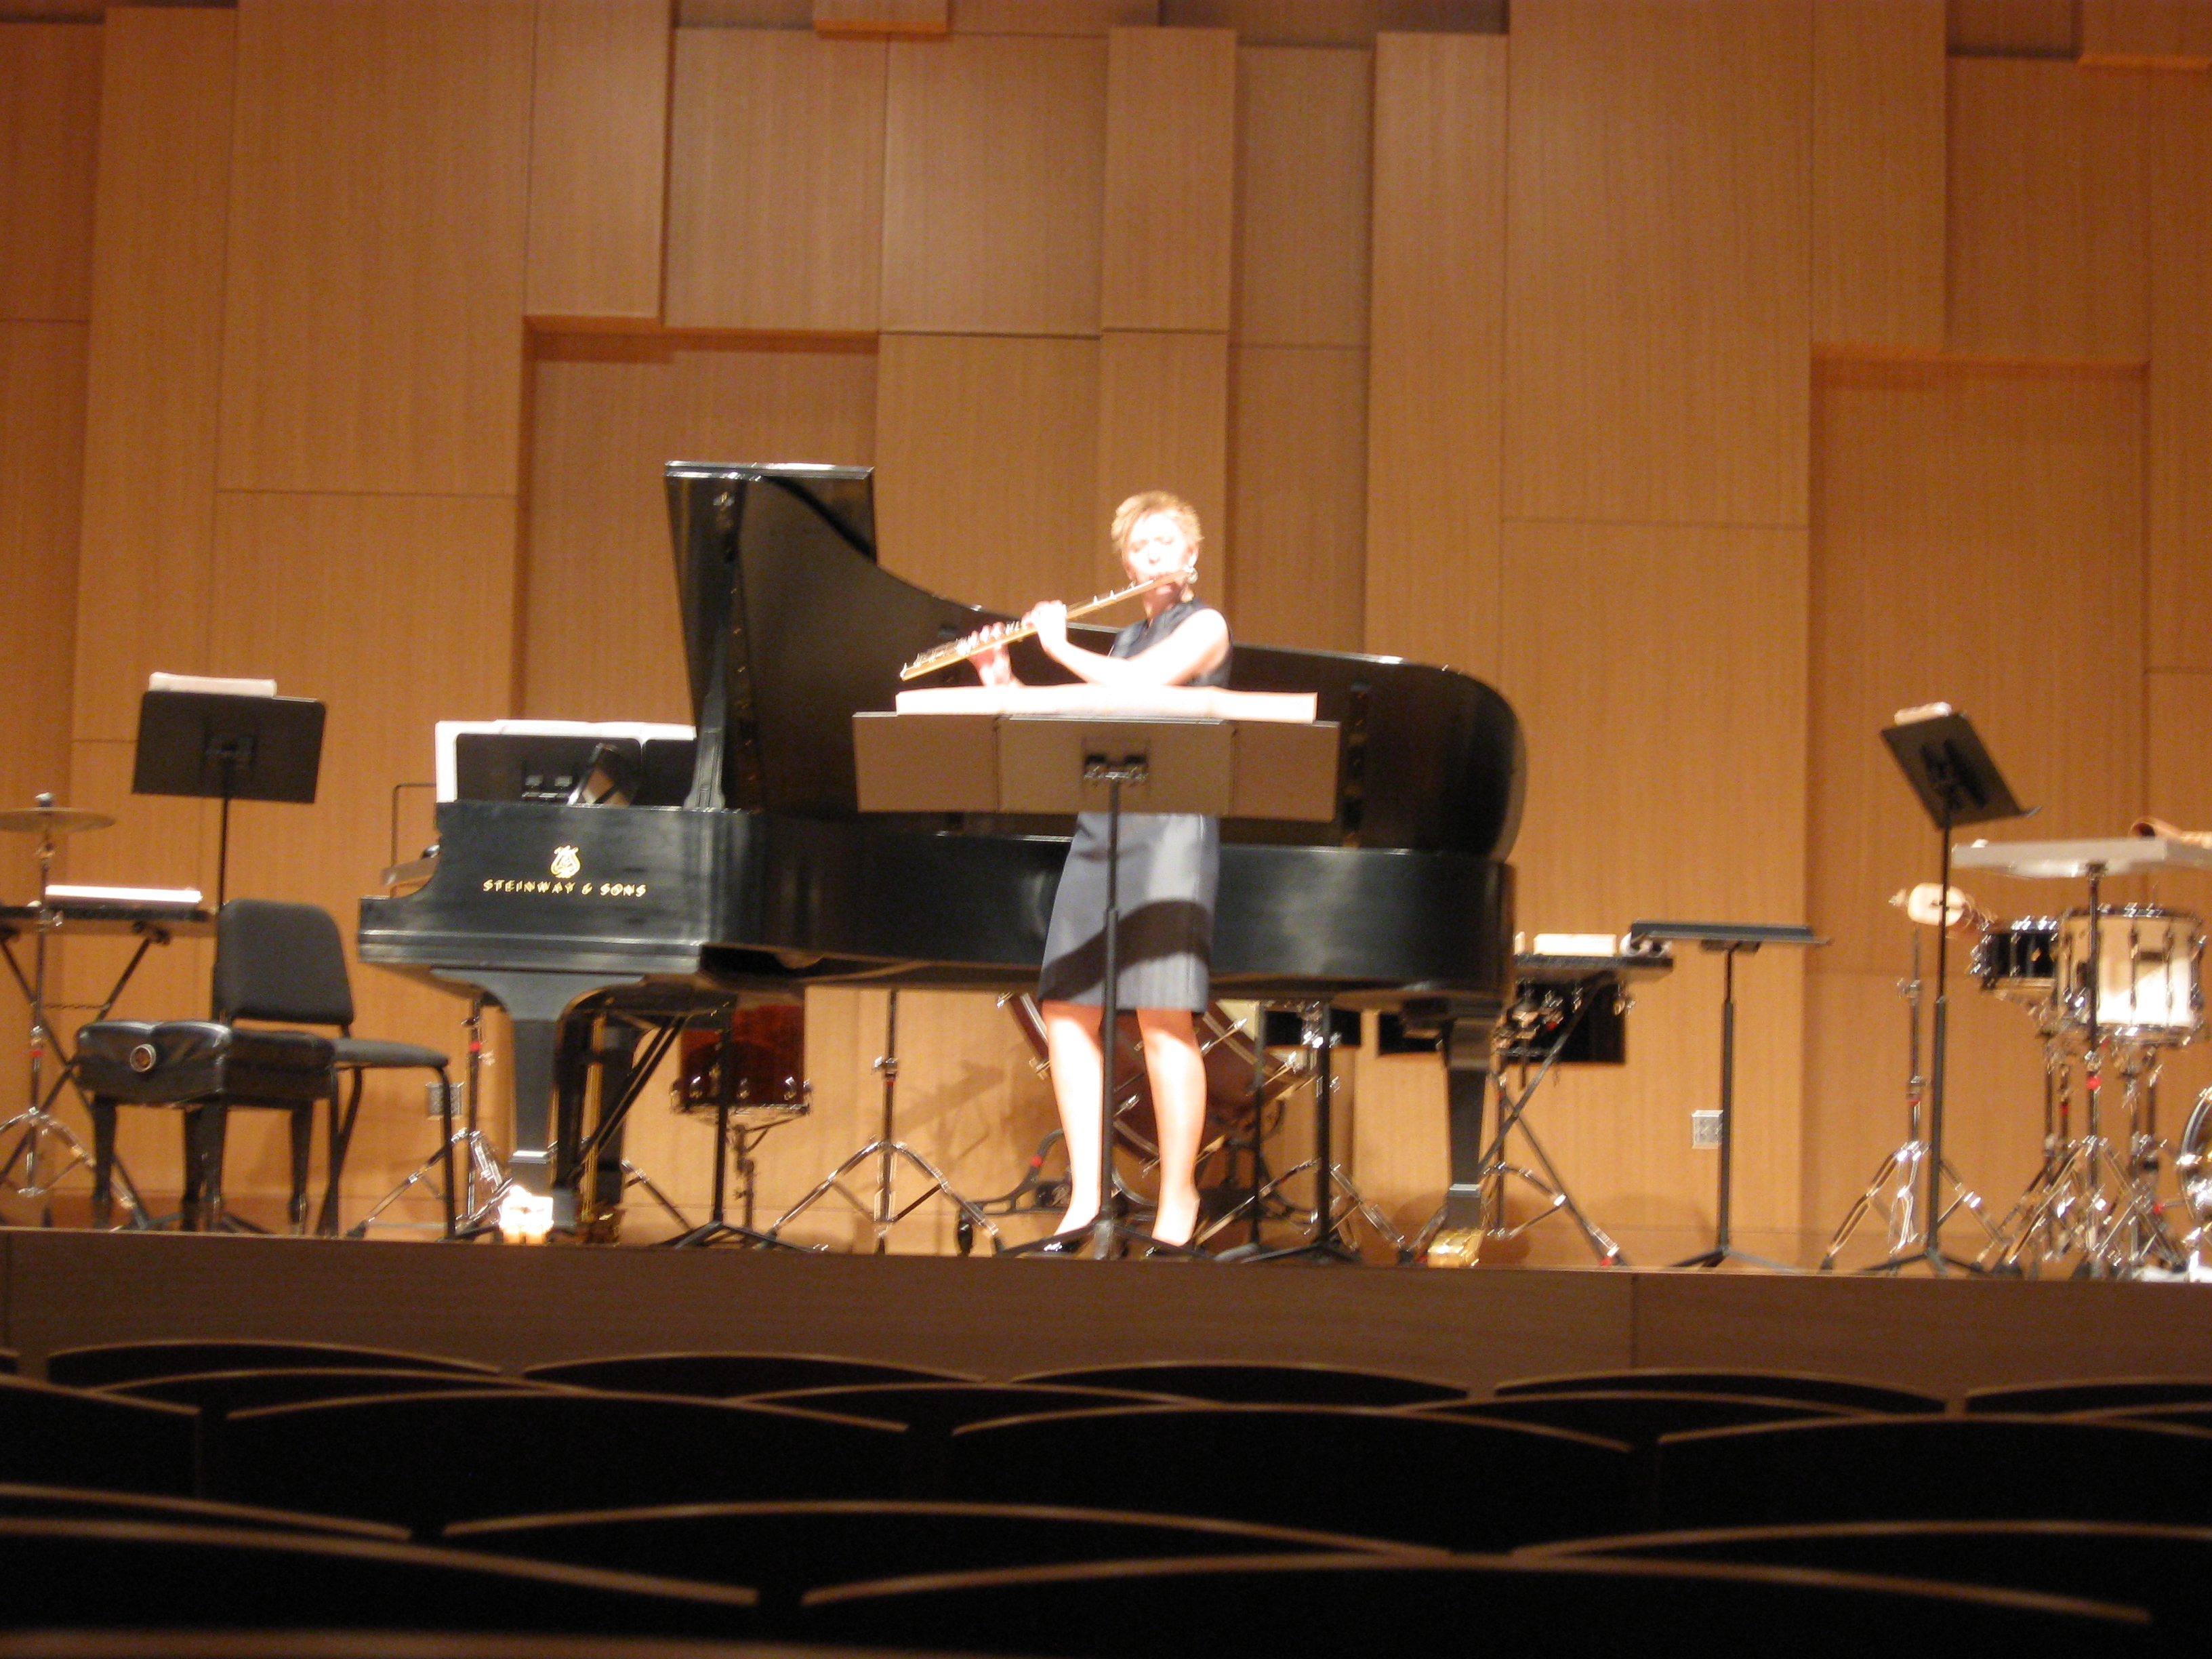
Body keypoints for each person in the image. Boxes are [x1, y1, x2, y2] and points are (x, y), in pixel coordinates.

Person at [972, 491, 1231, 1252]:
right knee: (1065, 1009)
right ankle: (1087, 1196)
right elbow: (1081, 717)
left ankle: (1179, 1196)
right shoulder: (1121, 642)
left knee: (1162, 1014)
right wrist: (1004, 683)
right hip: (1103, 829)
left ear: (1191, 555)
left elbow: (1145, 687)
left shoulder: (1206, 627)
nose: (1153, 555)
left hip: (1171, 833)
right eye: (1140, 546)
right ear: (1126, 562)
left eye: (1166, 542)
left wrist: (1058, 646)